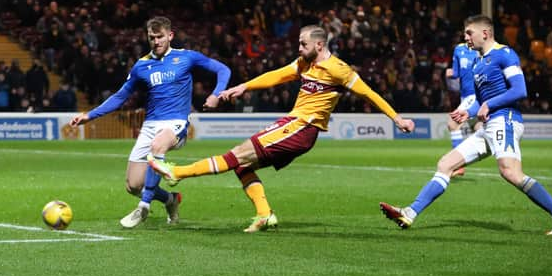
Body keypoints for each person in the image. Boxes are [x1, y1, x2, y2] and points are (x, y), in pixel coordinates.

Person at [148, 25, 415, 233]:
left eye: (303, 44)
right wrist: (244, 87)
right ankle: (264, 214)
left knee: (238, 154)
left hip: (302, 127)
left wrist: (397, 118)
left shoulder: (339, 70)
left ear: (319, 45)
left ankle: (177, 173)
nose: (299, 47)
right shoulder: (304, 64)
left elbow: (370, 94)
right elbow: (276, 75)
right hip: (295, 127)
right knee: (243, 166)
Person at [380, 15, 552, 236]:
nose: (465, 37)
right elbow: (480, 101)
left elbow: (520, 90)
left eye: (469, 33)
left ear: (485, 33)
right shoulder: (478, 63)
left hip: (505, 119)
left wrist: (490, 104)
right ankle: (410, 213)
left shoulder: (504, 54)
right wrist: (467, 112)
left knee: (510, 172)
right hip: (489, 125)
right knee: (445, 164)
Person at [69, 16, 231, 229]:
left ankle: (143, 207)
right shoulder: (141, 66)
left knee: (157, 147)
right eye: (152, 37)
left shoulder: (187, 57)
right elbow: (120, 96)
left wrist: (217, 94)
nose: (156, 41)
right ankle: (170, 200)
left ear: (170, 35)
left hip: (176, 123)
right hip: (150, 125)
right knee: (133, 185)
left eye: (160, 37)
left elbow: (223, 70)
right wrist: (90, 115)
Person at [445, 42, 480, 177]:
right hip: (464, 96)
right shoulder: (459, 49)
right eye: (466, 33)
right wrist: (451, 73)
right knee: (478, 129)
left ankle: (457, 164)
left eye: (470, 33)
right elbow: (457, 72)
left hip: (474, 94)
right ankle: (506, 153)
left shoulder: (482, 50)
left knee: (453, 123)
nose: (467, 37)